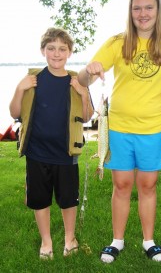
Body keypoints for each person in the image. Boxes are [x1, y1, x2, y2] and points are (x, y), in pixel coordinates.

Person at [78, 0, 161, 263]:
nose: (143, 13)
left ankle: (149, 242)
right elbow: (84, 78)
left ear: (158, 10)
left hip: (152, 129)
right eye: (137, 7)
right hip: (119, 128)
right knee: (122, 185)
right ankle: (117, 241)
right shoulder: (117, 42)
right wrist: (89, 71)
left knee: (148, 186)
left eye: (149, 7)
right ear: (130, 12)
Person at [9, 27, 94, 259]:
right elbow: (15, 112)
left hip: (67, 153)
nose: (57, 54)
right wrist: (19, 88)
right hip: (36, 152)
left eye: (62, 49)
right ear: (43, 51)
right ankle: (46, 242)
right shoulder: (33, 79)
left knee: (68, 199)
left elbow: (87, 117)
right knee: (40, 199)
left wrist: (83, 93)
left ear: (69, 52)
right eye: (51, 48)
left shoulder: (77, 81)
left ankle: (70, 238)